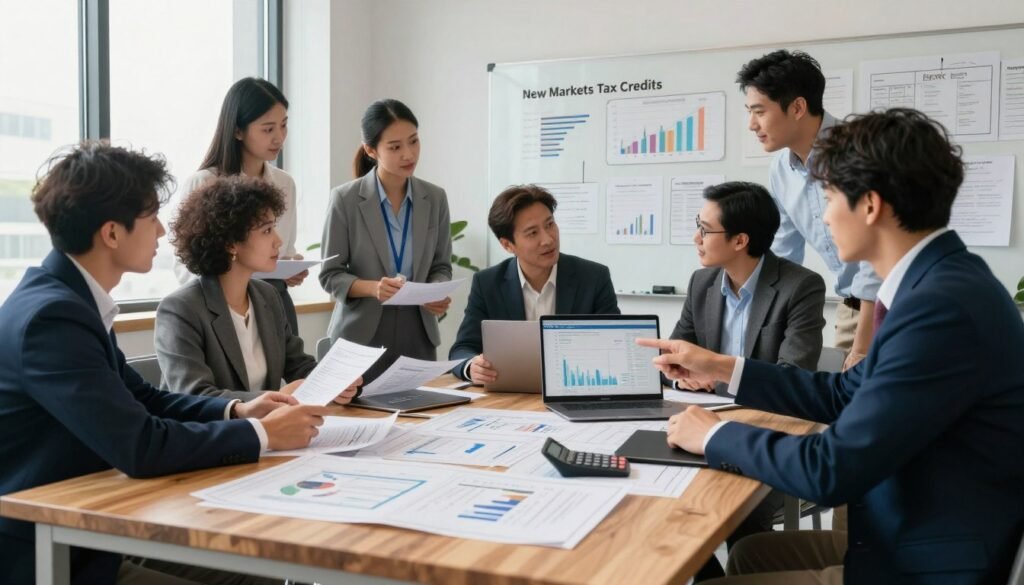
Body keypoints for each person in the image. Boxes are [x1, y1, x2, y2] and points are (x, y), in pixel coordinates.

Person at [639, 109, 1024, 585]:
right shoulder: (938, 284)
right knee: (749, 557)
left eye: (828, 196)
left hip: (929, 559)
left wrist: (713, 435)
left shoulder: (939, 308)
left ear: (870, 205)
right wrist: (721, 367)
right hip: (910, 529)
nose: (821, 217)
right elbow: (844, 395)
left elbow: (830, 469)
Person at [0, 143, 338, 585]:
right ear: (112, 233)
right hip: (51, 553)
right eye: (150, 217)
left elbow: (143, 398)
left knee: (266, 575)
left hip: (97, 522)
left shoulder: (71, 300)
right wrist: (261, 433)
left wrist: (237, 410)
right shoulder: (52, 318)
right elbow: (140, 446)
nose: (161, 231)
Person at [670, 181, 825, 579]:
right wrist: (682, 375)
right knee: (667, 505)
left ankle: (743, 573)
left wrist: (716, 377)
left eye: (705, 229)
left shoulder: (800, 287)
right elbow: (676, 353)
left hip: (767, 433)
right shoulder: (701, 283)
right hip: (702, 424)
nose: (696, 237)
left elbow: (794, 378)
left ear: (740, 240)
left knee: (736, 511)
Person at [738, 50, 881, 370]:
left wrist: (861, 348)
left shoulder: (860, 152)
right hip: (851, 307)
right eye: (749, 112)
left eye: (759, 111)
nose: (751, 124)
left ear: (798, 107)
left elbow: (877, 255)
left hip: (890, 307)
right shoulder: (780, 169)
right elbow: (784, 254)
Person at [156, 176, 359, 401]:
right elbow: (195, 396)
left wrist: (335, 383)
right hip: (210, 434)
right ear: (230, 243)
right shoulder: (181, 309)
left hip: (267, 432)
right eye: (266, 230)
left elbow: (299, 365)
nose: (278, 241)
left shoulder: (267, 296)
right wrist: (274, 399)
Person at [320, 99, 452, 383]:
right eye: (395, 147)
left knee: (418, 418)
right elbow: (330, 275)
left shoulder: (435, 198)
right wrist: (374, 288)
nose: (409, 154)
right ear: (371, 150)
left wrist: (436, 290)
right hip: (360, 336)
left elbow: (441, 265)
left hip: (418, 333)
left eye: (414, 141)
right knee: (360, 420)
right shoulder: (345, 200)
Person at [172, 77, 305, 334]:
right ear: (237, 131)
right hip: (220, 309)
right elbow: (186, 267)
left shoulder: (284, 183)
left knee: (291, 372)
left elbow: (284, 247)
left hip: (274, 303)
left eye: (284, 125)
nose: (279, 137)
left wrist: (288, 266)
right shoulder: (205, 182)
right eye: (268, 129)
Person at [450, 184, 620, 384]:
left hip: (575, 390)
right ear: (507, 245)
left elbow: (614, 345)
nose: (548, 239)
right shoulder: (488, 283)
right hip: (512, 397)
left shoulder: (593, 277)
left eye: (550, 224)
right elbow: (462, 349)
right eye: (532, 233)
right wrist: (472, 367)